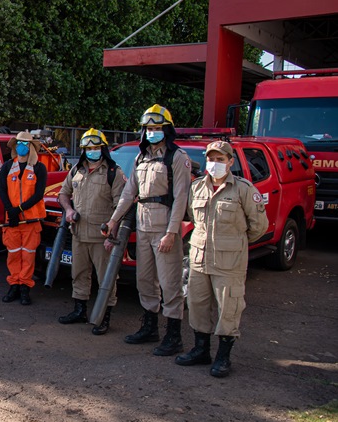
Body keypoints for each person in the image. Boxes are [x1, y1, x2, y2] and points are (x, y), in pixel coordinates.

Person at [105, 104, 192, 356]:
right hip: (142, 226)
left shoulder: (177, 157)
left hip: (164, 227)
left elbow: (181, 198)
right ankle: (150, 327)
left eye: (157, 128)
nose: (152, 133)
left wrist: (171, 232)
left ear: (166, 129)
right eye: (148, 129)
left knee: (170, 283)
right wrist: (113, 220)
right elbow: (128, 193)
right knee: (145, 281)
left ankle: (173, 336)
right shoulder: (140, 157)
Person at [176, 140, 268, 377]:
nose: (214, 164)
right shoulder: (197, 187)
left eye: (220, 159)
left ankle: (223, 356)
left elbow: (258, 226)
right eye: (211, 159)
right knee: (197, 305)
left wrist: (234, 242)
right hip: (199, 258)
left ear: (230, 162)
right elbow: (192, 217)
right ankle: (201, 350)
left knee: (229, 308)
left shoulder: (243, 189)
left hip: (230, 262)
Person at [57, 129, 126, 334]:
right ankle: (80, 311)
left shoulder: (114, 172)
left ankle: (104, 317)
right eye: (88, 148)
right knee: (79, 274)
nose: (91, 151)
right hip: (79, 234)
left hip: (101, 237)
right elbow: (63, 193)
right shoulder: (76, 170)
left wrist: (112, 235)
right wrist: (68, 210)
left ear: (102, 149)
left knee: (106, 278)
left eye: (95, 148)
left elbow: (120, 206)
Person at [0, 131, 48, 306]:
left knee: (28, 255)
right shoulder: (7, 167)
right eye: (19, 143)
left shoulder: (39, 168)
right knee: (13, 254)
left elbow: (38, 194)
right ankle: (14, 285)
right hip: (12, 220)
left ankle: (25, 287)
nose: (21, 147)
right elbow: (2, 190)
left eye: (25, 144)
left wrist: (19, 209)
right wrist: (10, 210)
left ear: (31, 147)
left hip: (31, 221)